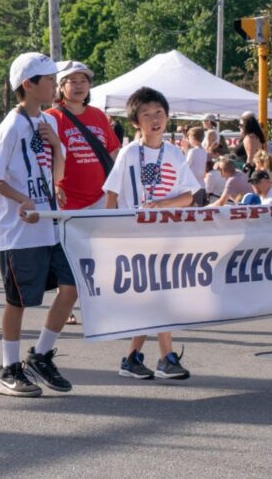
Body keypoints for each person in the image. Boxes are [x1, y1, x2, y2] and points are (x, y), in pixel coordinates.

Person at [0, 53, 71, 398]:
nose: (55, 85)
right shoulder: (11, 126)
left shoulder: (48, 121)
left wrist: (56, 145)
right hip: (19, 232)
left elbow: (57, 174)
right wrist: (22, 199)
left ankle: (41, 354)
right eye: (49, 79)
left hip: (50, 225)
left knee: (71, 286)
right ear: (28, 85)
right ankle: (8, 368)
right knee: (17, 300)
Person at [102, 87, 201, 380]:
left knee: (156, 295)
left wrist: (163, 205)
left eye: (159, 113)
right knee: (157, 294)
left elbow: (190, 196)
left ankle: (134, 358)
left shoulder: (174, 153)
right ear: (136, 122)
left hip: (166, 234)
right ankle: (164, 358)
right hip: (135, 235)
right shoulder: (129, 153)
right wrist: (108, 231)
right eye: (147, 114)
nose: (155, 119)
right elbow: (111, 193)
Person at [46, 61, 120, 211]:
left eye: (84, 81)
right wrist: (53, 185)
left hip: (101, 198)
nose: (79, 86)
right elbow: (43, 158)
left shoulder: (99, 115)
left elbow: (113, 151)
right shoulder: (50, 117)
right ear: (61, 86)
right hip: (66, 200)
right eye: (73, 81)